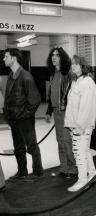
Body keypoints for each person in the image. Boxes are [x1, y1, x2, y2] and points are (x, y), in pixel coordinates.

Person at [3, 48, 43, 179]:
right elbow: (8, 98)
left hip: (24, 120)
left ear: (13, 59)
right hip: (14, 120)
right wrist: (8, 116)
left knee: (31, 147)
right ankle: (22, 172)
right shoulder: (10, 76)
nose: (4, 59)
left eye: (6, 57)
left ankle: (38, 172)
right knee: (18, 148)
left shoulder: (26, 77)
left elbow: (35, 100)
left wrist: (23, 115)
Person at [64, 55, 96, 192]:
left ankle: (82, 180)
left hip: (82, 125)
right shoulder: (75, 81)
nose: (73, 66)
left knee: (79, 152)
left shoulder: (88, 82)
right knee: (83, 151)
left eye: (76, 64)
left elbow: (86, 107)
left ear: (83, 66)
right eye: (72, 64)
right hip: (75, 124)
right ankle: (92, 174)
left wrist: (80, 126)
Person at [45, 47, 77, 178]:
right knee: (59, 140)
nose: (54, 57)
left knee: (66, 140)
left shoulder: (68, 74)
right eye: (52, 55)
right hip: (56, 112)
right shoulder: (53, 74)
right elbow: (51, 94)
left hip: (66, 112)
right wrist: (48, 111)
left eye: (57, 55)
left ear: (62, 58)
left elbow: (72, 95)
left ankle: (73, 167)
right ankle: (64, 167)